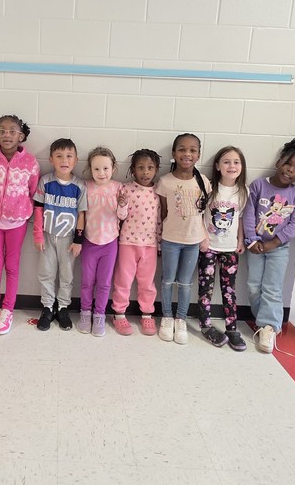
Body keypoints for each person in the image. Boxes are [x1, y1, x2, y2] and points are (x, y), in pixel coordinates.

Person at [243, 138, 295, 354]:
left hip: (278, 248)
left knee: (273, 288)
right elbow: (248, 213)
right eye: (288, 164)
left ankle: (269, 327)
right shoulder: (258, 185)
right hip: (255, 246)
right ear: (279, 162)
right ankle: (262, 320)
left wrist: (275, 242)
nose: (290, 171)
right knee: (254, 285)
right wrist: (252, 239)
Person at [0, 115, 39, 336]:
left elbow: (33, 191)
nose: (7, 135)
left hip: (17, 221)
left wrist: (20, 209)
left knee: (12, 265)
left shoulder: (30, 162)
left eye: (12, 131)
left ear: (21, 135)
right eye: (1, 130)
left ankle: (7, 309)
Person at [155, 133, 210, 345]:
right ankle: (167, 317)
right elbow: (164, 212)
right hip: (170, 239)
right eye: (182, 149)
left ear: (198, 155)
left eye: (192, 150)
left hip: (193, 241)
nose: (187, 154)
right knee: (168, 280)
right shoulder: (165, 182)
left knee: (185, 283)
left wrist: (204, 237)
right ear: (173, 153)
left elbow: (204, 213)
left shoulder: (203, 181)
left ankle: (181, 319)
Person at [197, 147, 248, 351]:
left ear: (241, 167)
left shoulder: (243, 191)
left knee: (229, 290)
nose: (231, 166)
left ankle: (232, 327)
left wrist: (241, 240)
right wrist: (203, 238)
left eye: (236, 162)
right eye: (226, 162)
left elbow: (241, 218)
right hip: (209, 247)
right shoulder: (209, 189)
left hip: (230, 249)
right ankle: (205, 324)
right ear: (217, 166)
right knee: (205, 289)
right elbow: (200, 216)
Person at [34, 138, 87, 332]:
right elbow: (38, 209)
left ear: (75, 159)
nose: (64, 160)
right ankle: (47, 307)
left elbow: (82, 214)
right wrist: (38, 235)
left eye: (69, 156)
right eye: (59, 156)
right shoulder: (46, 181)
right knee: (46, 273)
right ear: (51, 159)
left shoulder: (79, 186)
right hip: (48, 235)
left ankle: (63, 307)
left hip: (68, 238)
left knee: (67, 275)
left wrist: (78, 240)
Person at [110, 149, 162, 336]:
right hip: (127, 242)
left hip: (150, 244)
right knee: (123, 280)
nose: (145, 172)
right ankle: (119, 313)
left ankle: (147, 314)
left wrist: (159, 242)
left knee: (147, 282)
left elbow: (159, 220)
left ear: (156, 170)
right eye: (140, 168)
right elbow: (121, 216)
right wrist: (122, 204)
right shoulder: (126, 189)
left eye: (150, 168)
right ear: (133, 170)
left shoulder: (158, 191)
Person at [77, 147, 125, 337]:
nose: (101, 173)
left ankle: (99, 315)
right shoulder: (85, 186)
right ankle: (85, 313)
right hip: (89, 241)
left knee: (104, 283)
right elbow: (80, 213)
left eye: (105, 168)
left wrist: (122, 204)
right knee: (87, 281)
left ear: (113, 168)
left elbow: (122, 216)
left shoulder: (118, 188)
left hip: (110, 242)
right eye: (96, 169)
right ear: (90, 169)